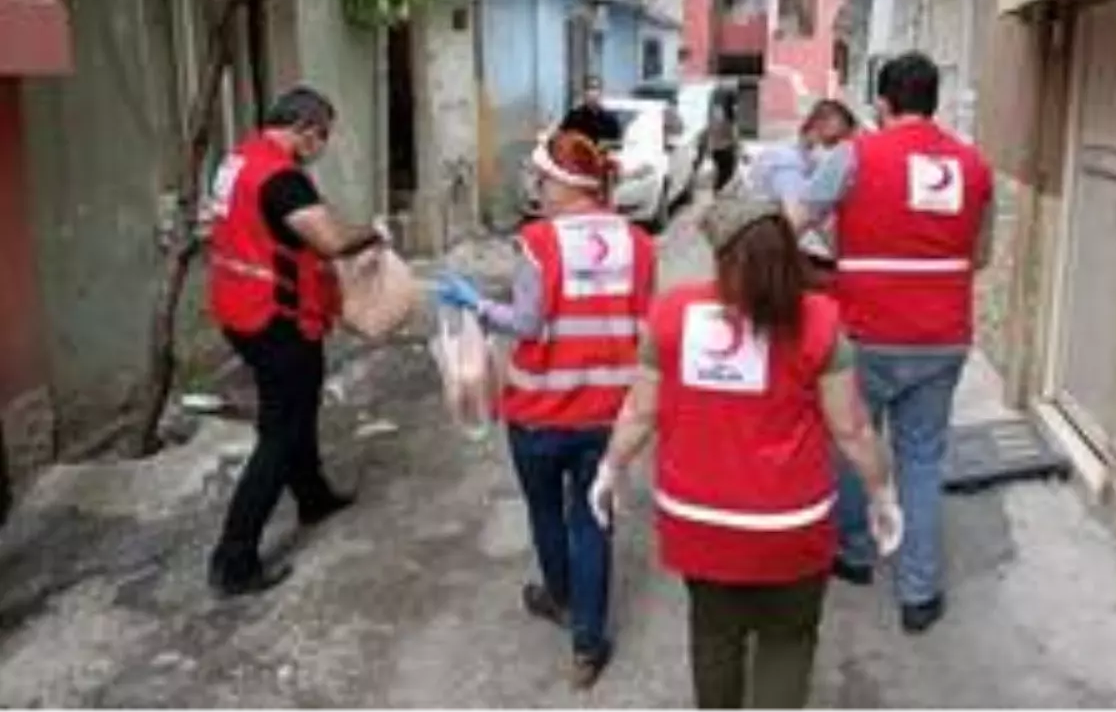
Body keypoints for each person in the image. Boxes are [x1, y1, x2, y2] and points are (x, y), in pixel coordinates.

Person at [587, 199, 901, 712]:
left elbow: (640, 414)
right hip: (792, 525)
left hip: (698, 521)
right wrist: (881, 494)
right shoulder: (820, 322)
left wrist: (609, 469)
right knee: (788, 639)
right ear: (788, 251)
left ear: (719, 254)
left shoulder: (670, 315)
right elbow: (852, 429)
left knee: (714, 635)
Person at [435, 130, 657, 689]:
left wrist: (478, 306)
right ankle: (587, 643)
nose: (536, 187)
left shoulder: (539, 241)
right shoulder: (640, 243)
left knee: (545, 511)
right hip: (610, 412)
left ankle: (561, 598)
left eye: (542, 177)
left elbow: (528, 323)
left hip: (539, 410)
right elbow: (643, 324)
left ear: (566, 184)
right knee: (594, 520)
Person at [795, 51, 995, 633]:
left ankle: (855, 554)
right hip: (944, 336)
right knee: (924, 460)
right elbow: (978, 256)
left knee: (854, 441)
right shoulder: (974, 166)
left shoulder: (852, 156)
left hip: (866, 333)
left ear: (882, 104)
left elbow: (793, 221)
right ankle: (918, 592)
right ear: (933, 100)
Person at [206, 86, 387, 597]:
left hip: (238, 307)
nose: (323, 146)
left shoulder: (238, 159)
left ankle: (312, 495)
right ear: (305, 128)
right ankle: (234, 559)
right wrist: (373, 234)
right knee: (280, 433)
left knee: (297, 408)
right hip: (275, 316)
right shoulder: (281, 178)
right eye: (322, 135)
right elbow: (329, 241)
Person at [746, 99, 859, 273]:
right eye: (833, 141)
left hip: (767, 249)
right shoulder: (788, 164)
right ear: (816, 128)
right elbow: (797, 218)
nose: (837, 149)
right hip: (773, 256)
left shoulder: (799, 157)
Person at [559, 75, 622, 150]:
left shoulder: (610, 121)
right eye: (589, 89)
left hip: (602, 159)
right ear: (584, 92)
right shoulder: (574, 117)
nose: (592, 93)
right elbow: (561, 139)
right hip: (577, 159)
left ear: (601, 92)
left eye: (595, 88)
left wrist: (603, 146)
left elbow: (617, 145)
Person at [702, 91, 740, 194]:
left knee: (721, 171)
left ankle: (716, 191)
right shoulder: (727, 115)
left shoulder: (716, 112)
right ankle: (717, 191)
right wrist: (737, 145)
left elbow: (710, 129)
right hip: (724, 147)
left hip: (717, 147)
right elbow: (731, 132)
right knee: (727, 171)